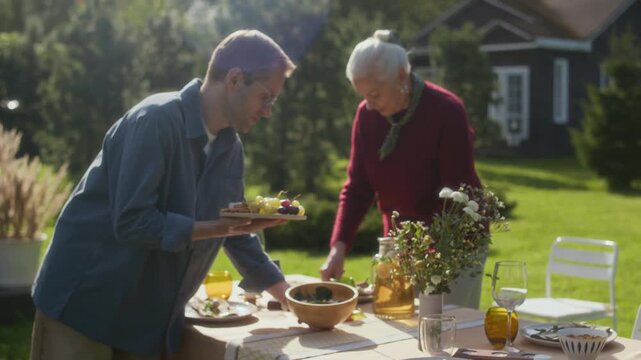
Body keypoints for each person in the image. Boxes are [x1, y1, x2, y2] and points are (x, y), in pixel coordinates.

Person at [31, 29, 295, 360]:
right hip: (84, 305)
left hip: (144, 319)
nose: (269, 110)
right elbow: (133, 221)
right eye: (266, 96)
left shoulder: (231, 147)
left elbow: (234, 226)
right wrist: (220, 227)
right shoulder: (155, 120)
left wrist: (286, 293)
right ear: (235, 79)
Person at [320, 30, 484, 308]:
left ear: (400, 76)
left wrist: (428, 258)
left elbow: (457, 195)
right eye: (362, 95)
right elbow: (358, 188)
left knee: (449, 330)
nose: (368, 105)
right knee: (400, 326)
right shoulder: (366, 116)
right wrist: (338, 249)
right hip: (400, 241)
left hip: (455, 241)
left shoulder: (446, 110)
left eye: (374, 94)